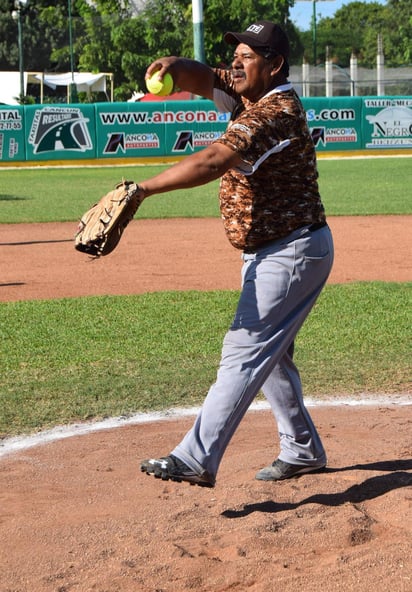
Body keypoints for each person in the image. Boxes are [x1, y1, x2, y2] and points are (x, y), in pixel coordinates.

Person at [137, 20, 334, 488]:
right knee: (273, 356)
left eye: (248, 56)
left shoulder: (275, 112)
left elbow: (212, 160)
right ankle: (303, 450)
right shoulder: (249, 91)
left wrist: (141, 190)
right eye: (237, 53)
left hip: (291, 250)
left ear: (275, 65)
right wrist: (173, 67)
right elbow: (203, 76)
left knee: (244, 349)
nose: (237, 64)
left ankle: (194, 457)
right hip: (275, 248)